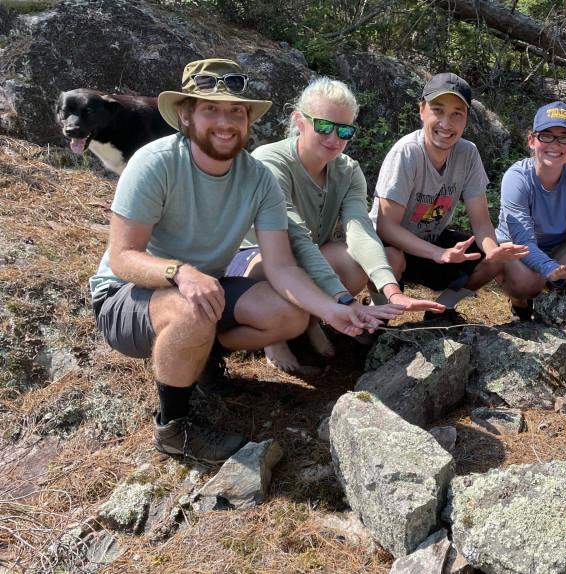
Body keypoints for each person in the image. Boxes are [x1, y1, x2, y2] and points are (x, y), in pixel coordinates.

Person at [88, 58, 401, 464]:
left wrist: (333, 308)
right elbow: (123, 257)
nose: (226, 121)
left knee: (288, 314)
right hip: (126, 295)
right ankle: (174, 427)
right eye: (211, 109)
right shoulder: (155, 162)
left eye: (236, 111)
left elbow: (282, 266)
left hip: (208, 290)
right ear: (185, 115)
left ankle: (200, 357)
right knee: (192, 307)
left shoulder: (256, 178)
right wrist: (180, 273)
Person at [230, 77, 444, 373]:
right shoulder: (270, 162)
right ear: (300, 121)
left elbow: (360, 232)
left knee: (378, 258)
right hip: (257, 262)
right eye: (323, 126)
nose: (334, 138)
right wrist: (341, 298)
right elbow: (295, 238)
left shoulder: (348, 170)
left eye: (344, 130)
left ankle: (312, 321)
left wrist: (392, 291)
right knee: (277, 259)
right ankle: (277, 337)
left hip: (306, 258)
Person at [370, 72, 527, 315]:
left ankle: (440, 311)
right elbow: (386, 228)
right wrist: (438, 253)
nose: (446, 123)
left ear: (466, 120)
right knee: (391, 257)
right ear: (422, 110)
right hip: (391, 246)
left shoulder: (468, 153)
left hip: (433, 245)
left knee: (493, 259)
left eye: (457, 114)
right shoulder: (407, 153)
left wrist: (493, 251)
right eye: (438, 110)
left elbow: (481, 222)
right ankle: (376, 320)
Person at [495, 102, 566, 320]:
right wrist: (548, 267)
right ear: (532, 140)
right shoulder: (516, 177)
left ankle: (559, 314)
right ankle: (520, 304)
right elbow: (522, 239)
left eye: (564, 137)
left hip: (557, 245)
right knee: (527, 283)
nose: (555, 145)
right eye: (546, 135)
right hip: (517, 248)